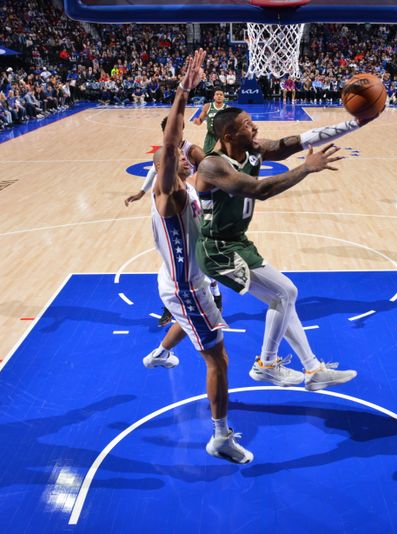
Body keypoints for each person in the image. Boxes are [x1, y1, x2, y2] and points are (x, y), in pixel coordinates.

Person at [195, 107, 374, 391]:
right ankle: (266, 365)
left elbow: (293, 142)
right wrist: (306, 167)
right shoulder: (212, 165)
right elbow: (259, 190)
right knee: (286, 293)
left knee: (283, 300)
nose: (254, 128)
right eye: (247, 124)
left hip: (236, 242)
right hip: (217, 249)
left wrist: (356, 122)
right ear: (229, 135)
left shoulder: (251, 150)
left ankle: (313, 369)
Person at [147, 49, 252, 464]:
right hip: (185, 285)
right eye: (168, 162)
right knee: (218, 358)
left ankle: (159, 354)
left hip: (187, 279)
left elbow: (190, 149)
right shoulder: (169, 195)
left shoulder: (191, 184)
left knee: (204, 340)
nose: (176, 162)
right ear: (164, 172)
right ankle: (220, 436)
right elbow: (173, 143)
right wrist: (183, 91)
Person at [125, 116, 222, 327]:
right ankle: (173, 309)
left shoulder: (191, 150)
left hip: (196, 201)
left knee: (203, 257)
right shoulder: (166, 159)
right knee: (178, 261)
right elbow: (154, 170)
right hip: (177, 205)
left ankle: (215, 294)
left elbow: (210, 168)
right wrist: (142, 192)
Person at [192, 89, 226, 154]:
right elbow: (200, 120)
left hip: (222, 138)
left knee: (222, 159)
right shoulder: (207, 106)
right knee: (206, 156)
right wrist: (197, 121)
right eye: (217, 94)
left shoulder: (227, 109)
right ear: (214, 97)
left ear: (223, 97)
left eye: (221, 95)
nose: (219, 96)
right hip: (210, 137)